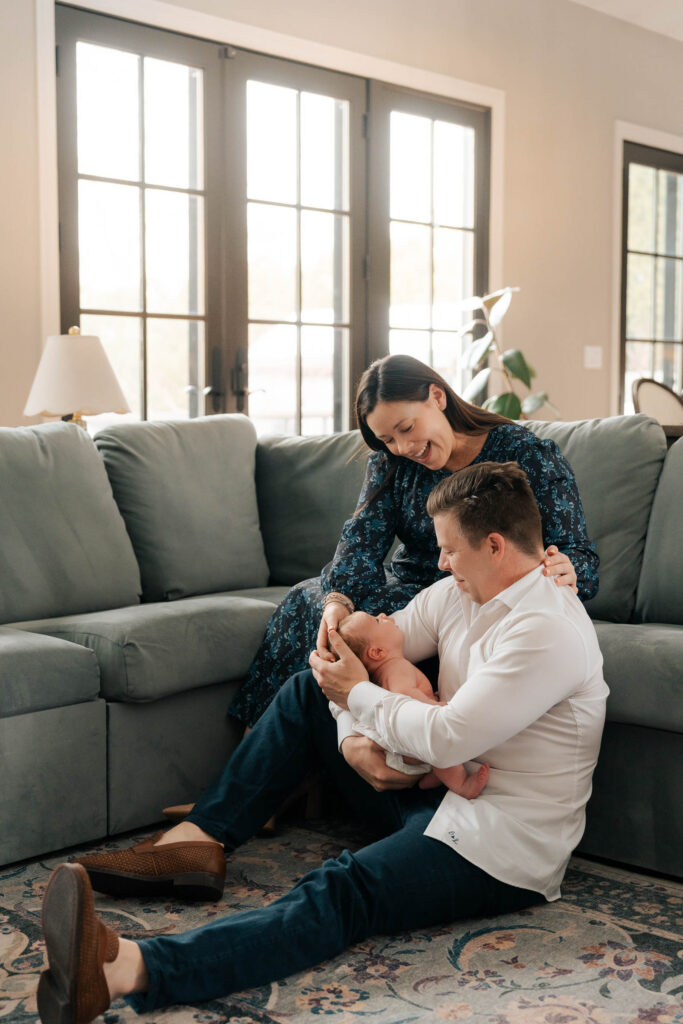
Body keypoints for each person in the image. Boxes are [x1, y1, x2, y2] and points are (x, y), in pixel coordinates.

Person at [38, 460, 608, 1024]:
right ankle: (200, 838)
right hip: (432, 789)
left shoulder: (547, 630)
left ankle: (126, 969)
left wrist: (358, 702)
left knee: (344, 889)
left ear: (494, 545)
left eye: (449, 549)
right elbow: (362, 654)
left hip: (498, 842)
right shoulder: (459, 594)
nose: (439, 562)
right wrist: (352, 740)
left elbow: (445, 733)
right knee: (305, 694)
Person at [230, 354, 599, 729]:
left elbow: (578, 558)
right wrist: (338, 602)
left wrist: (567, 568)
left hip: (477, 592)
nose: (403, 448)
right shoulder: (392, 463)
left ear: (437, 397)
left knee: (373, 629)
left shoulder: (526, 455)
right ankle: (266, 735)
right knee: (310, 604)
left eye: (406, 428)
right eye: (388, 439)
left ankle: (321, 745)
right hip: (411, 587)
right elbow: (360, 542)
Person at [337, 609, 489, 797]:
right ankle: (462, 785)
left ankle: (431, 776)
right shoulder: (396, 667)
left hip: (392, 743)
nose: (384, 615)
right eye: (377, 621)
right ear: (377, 652)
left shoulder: (384, 672)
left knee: (433, 749)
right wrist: (437, 707)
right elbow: (405, 695)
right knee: (439, 745)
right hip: (400, 744)